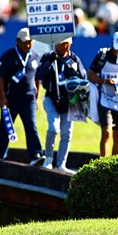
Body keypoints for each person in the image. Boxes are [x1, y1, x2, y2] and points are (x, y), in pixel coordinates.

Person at [36, 37, 87, 173]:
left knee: (67, 133)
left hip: (70, 101)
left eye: (68, 43)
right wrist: (49, 63)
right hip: (52, 99)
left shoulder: (74, 58)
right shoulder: (48, 56)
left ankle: (61, 164)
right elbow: (39, 75)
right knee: (53, 128)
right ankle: (48, 159)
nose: (66, 47)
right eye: (63, 43)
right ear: (56, 43)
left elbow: (83, 76)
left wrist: (74, 71)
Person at [0, 28, 44, 164]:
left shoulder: (35, 56)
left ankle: (36, 155)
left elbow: (37, 78)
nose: (28, 45)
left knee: (31, 125)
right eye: (25, 42)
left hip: (29, 99)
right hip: (11, 99)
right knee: (6, 126)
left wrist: (37, 97)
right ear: (17, 41)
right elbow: (0, 76)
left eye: (30, 42)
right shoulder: (8, 55)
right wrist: (2, 96)